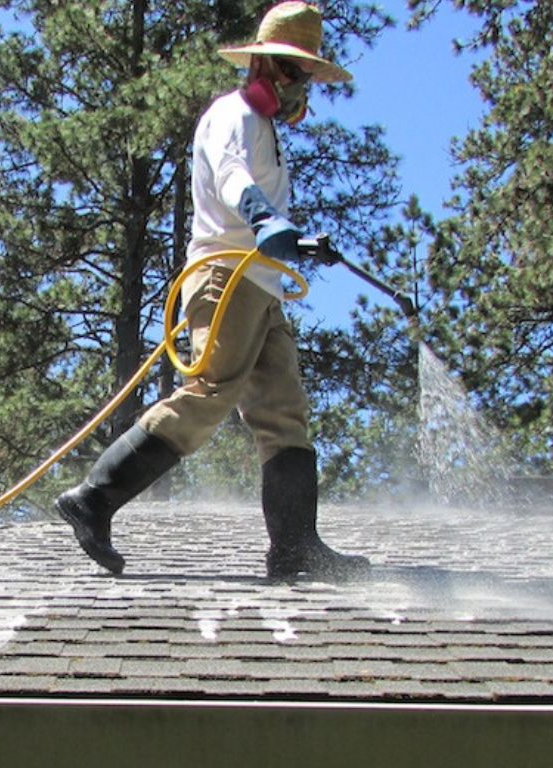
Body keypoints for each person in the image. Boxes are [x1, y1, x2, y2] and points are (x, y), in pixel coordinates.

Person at [56, 2, 369, 580]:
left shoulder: (267, 128)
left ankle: (296, 547)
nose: (296, 84)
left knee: (284, 415)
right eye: (288, 69)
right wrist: (267, 220)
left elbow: (260, 211)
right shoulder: (234, 114)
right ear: (262, 65)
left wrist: (297, 243)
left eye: (302, 74)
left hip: (260, 284)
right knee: (210, 392)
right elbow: (232, 180)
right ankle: (94, 498)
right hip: (226, 277)